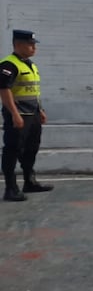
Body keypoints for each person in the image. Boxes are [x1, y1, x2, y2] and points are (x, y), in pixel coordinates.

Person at [1, 30, 52, 202]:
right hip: (18, 114)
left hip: (33, 114)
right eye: (30, 44)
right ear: (18, 44)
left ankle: (29, 182)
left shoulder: (30, 64)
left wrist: (40, 110)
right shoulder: (9, 64)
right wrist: (14, 114)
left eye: (34, 44)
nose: (33, 47)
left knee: (31, 148)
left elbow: (33, 91)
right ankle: (10, 188)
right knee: (13, 150)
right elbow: (4, 89)